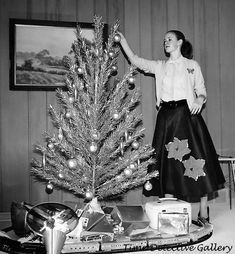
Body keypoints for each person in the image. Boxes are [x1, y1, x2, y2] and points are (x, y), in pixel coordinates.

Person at [118, 30, 225, 222]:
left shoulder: (192, 65)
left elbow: (201, 90)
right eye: (164, 40)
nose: (166, 42)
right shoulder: (160, 66)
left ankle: (203, 210)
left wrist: (200, 99)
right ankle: (169, 213)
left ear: (179, 42)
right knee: (166, 165)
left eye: (169, 39)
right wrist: (123, 41)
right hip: (166, 119)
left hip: (187, 117)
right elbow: (135, 60)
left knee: (196, 162)